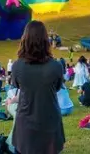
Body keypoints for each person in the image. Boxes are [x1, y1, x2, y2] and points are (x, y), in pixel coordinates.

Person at [10, 20, 65, 154]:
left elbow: (16, 85)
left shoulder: (17, 66)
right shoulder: (56, 66)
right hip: (50, 121)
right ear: (46, 40)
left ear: (25, 39)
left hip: (26, 124)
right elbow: (57, 87)